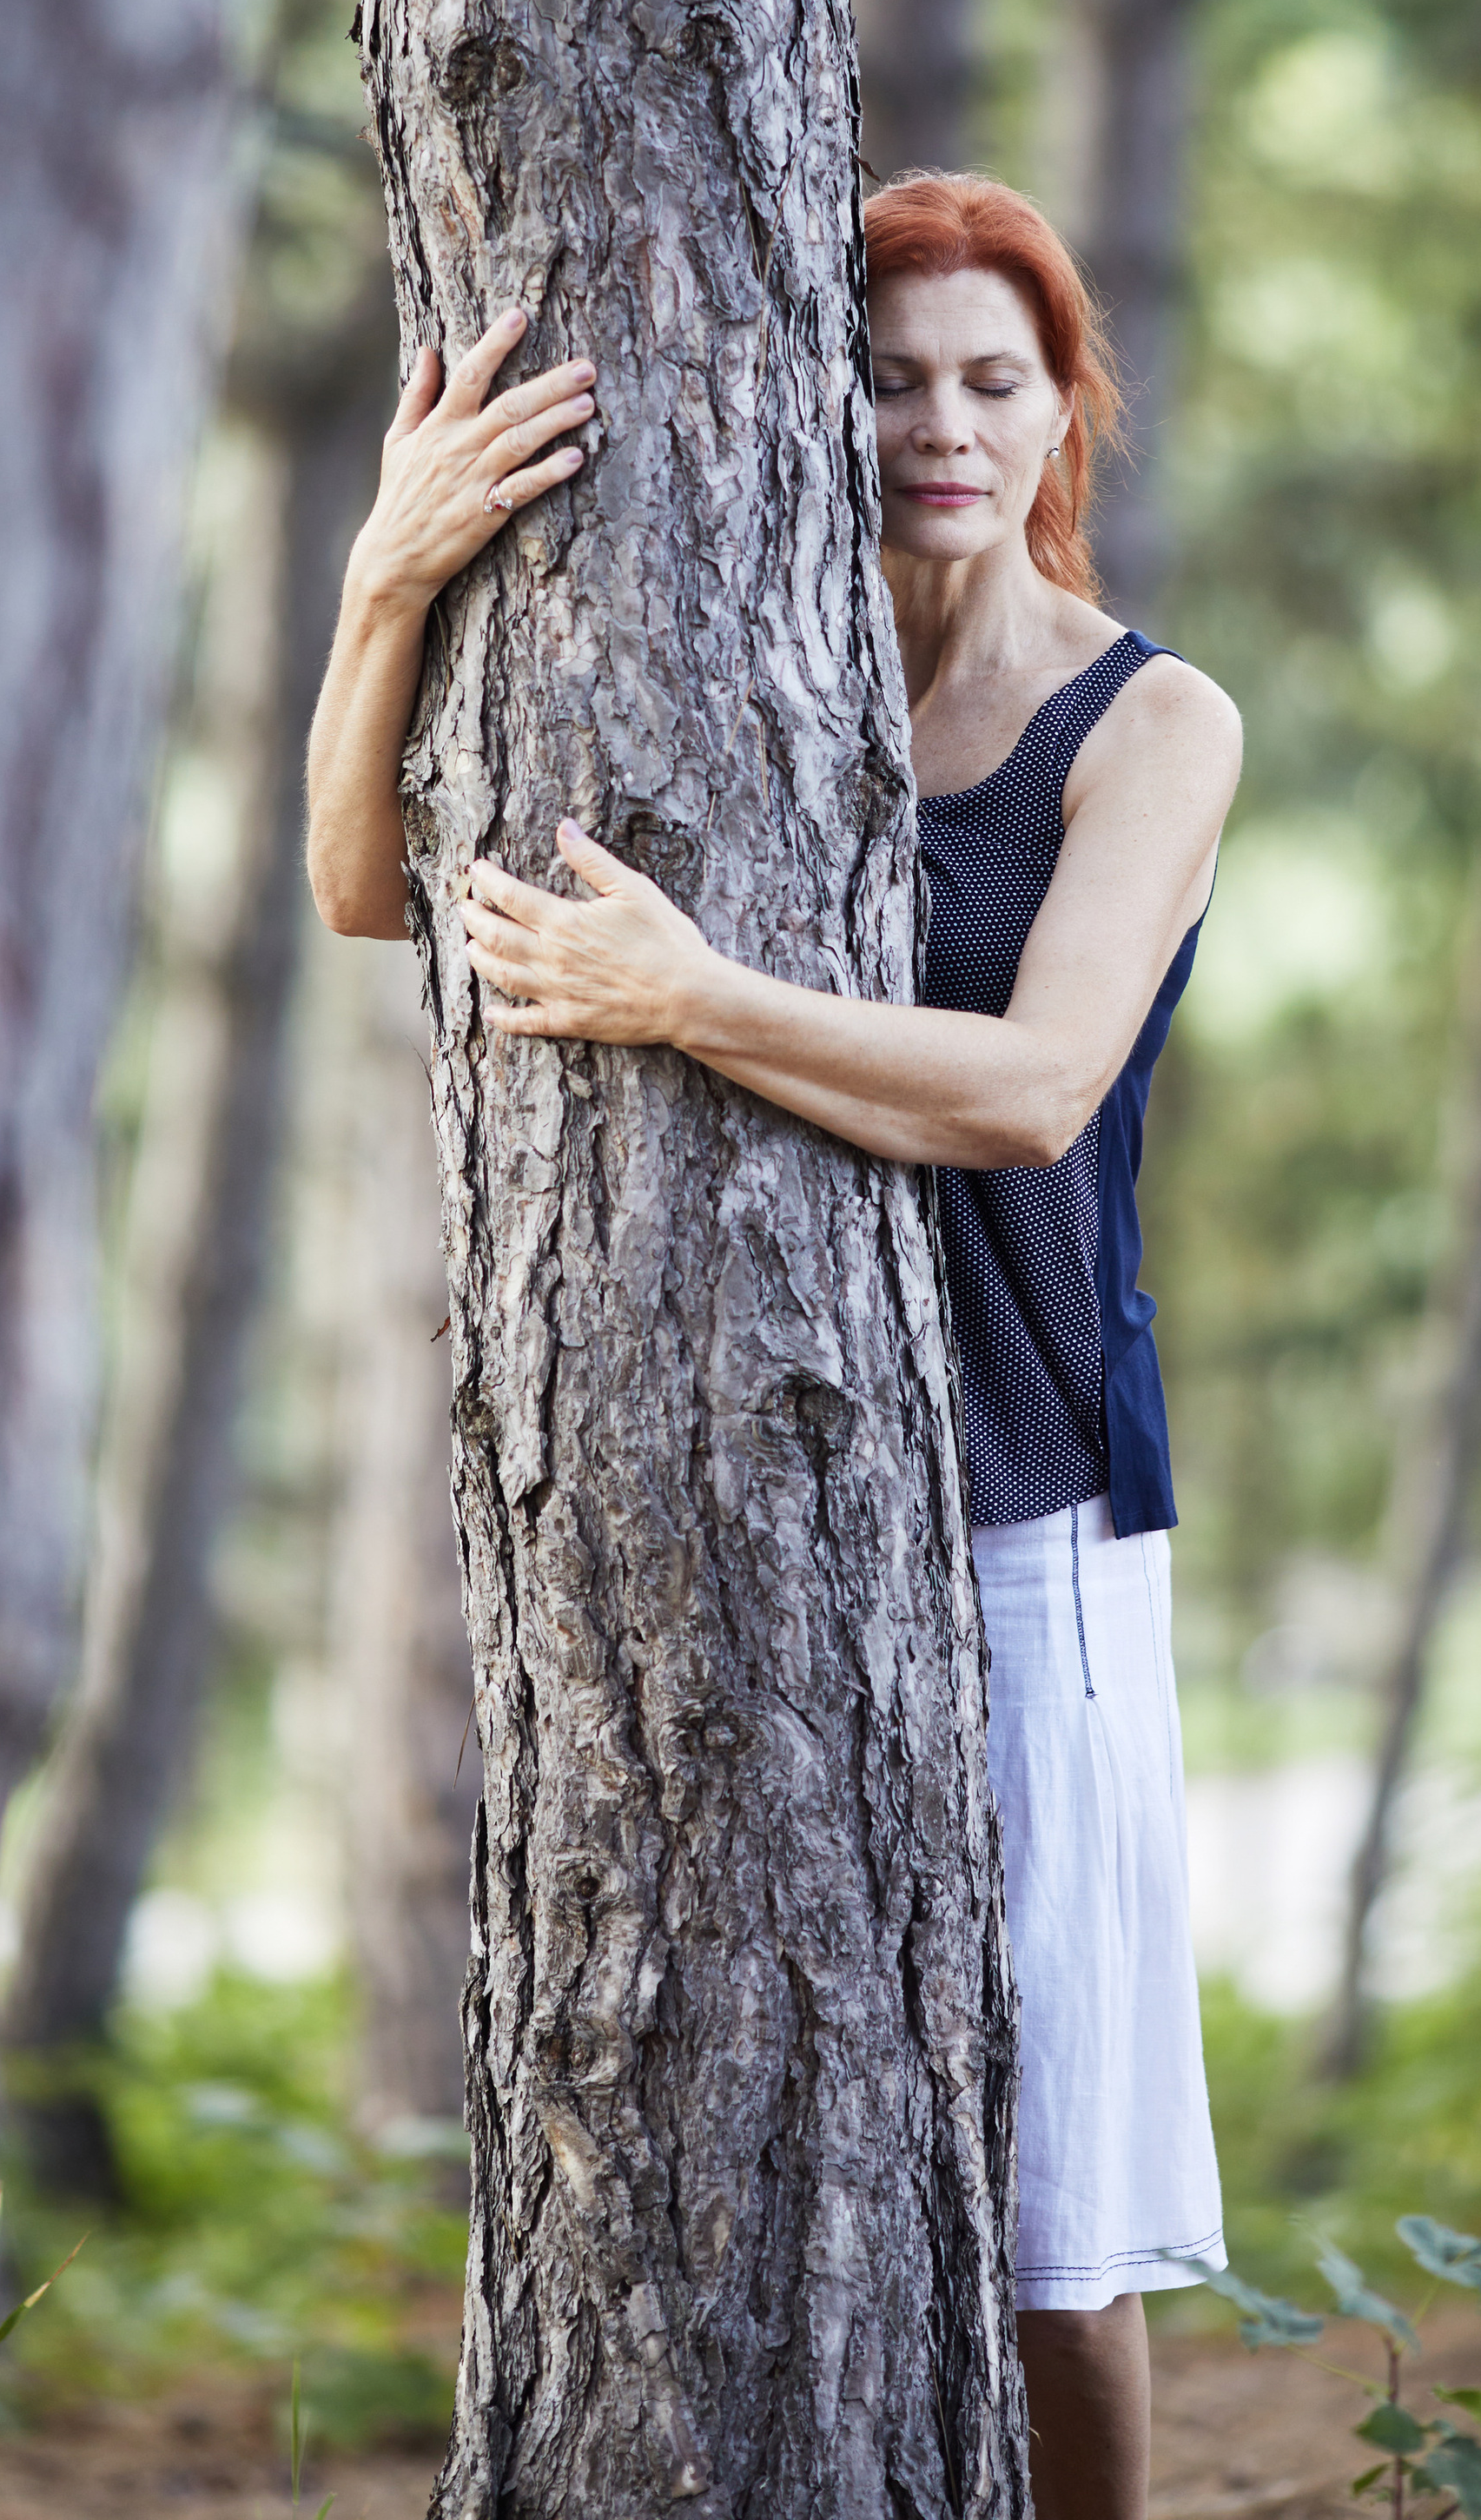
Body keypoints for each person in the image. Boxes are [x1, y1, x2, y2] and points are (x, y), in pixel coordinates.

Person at [307, 171, 1240, 2520]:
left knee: (1046, 2222)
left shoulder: (1151, 726)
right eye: (891, 373)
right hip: (751, 1484)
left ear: (1062, 416)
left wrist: (695, 1003)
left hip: (1024, 1512)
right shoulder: (755, 665)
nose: (937, 423)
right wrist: (384, 580)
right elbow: (355, 889)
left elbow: (1031, 1094)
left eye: (990, 381)